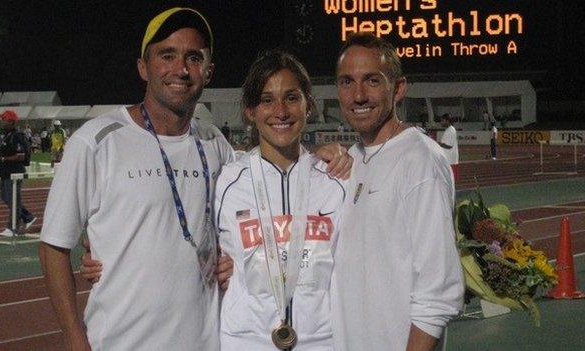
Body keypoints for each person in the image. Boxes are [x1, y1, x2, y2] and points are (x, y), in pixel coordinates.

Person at [40, 6, 353, 351]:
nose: (181, 69)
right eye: (167, 55)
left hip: (203, 342)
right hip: (119, 342)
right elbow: (53, 246)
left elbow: (257, 200)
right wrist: (73, 338)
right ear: (143, 67)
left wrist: (330, 153)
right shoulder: (96, 142)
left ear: (208, 71)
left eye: (193, 58)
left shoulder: (214, 143)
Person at [330, 33, 464, 351]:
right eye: (347, 82)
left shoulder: (420, 160)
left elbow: (438, 291)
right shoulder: (351, 158)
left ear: (399, 88)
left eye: (372, 81)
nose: (358, 95)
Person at [216, 50, 346, 350]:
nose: (281, 111)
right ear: (250, 110)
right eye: (266, 100)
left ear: (308, 105)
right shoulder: (227, 183)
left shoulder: (336, 180)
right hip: (246, 341)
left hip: (323, 341)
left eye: (291, 97)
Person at [0, 110, 36, 237]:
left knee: (13, 200)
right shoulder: (6, 135)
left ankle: (13, 228)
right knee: (6, 198)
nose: (1, 122)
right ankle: (27, 217)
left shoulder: (17, 136)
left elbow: (21, 156)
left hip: (14, 173)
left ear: (11, 122)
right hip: (5, 172)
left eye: (4, 119)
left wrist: (2, 159)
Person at [438, 113, 459, 182]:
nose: (441, 122)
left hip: (450, 160)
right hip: (448, 159)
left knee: (450, 180)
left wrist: (438, 144)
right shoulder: (448, 130)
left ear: (447, 121)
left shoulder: (451, 130)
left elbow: (449, 146)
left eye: (442, 120)